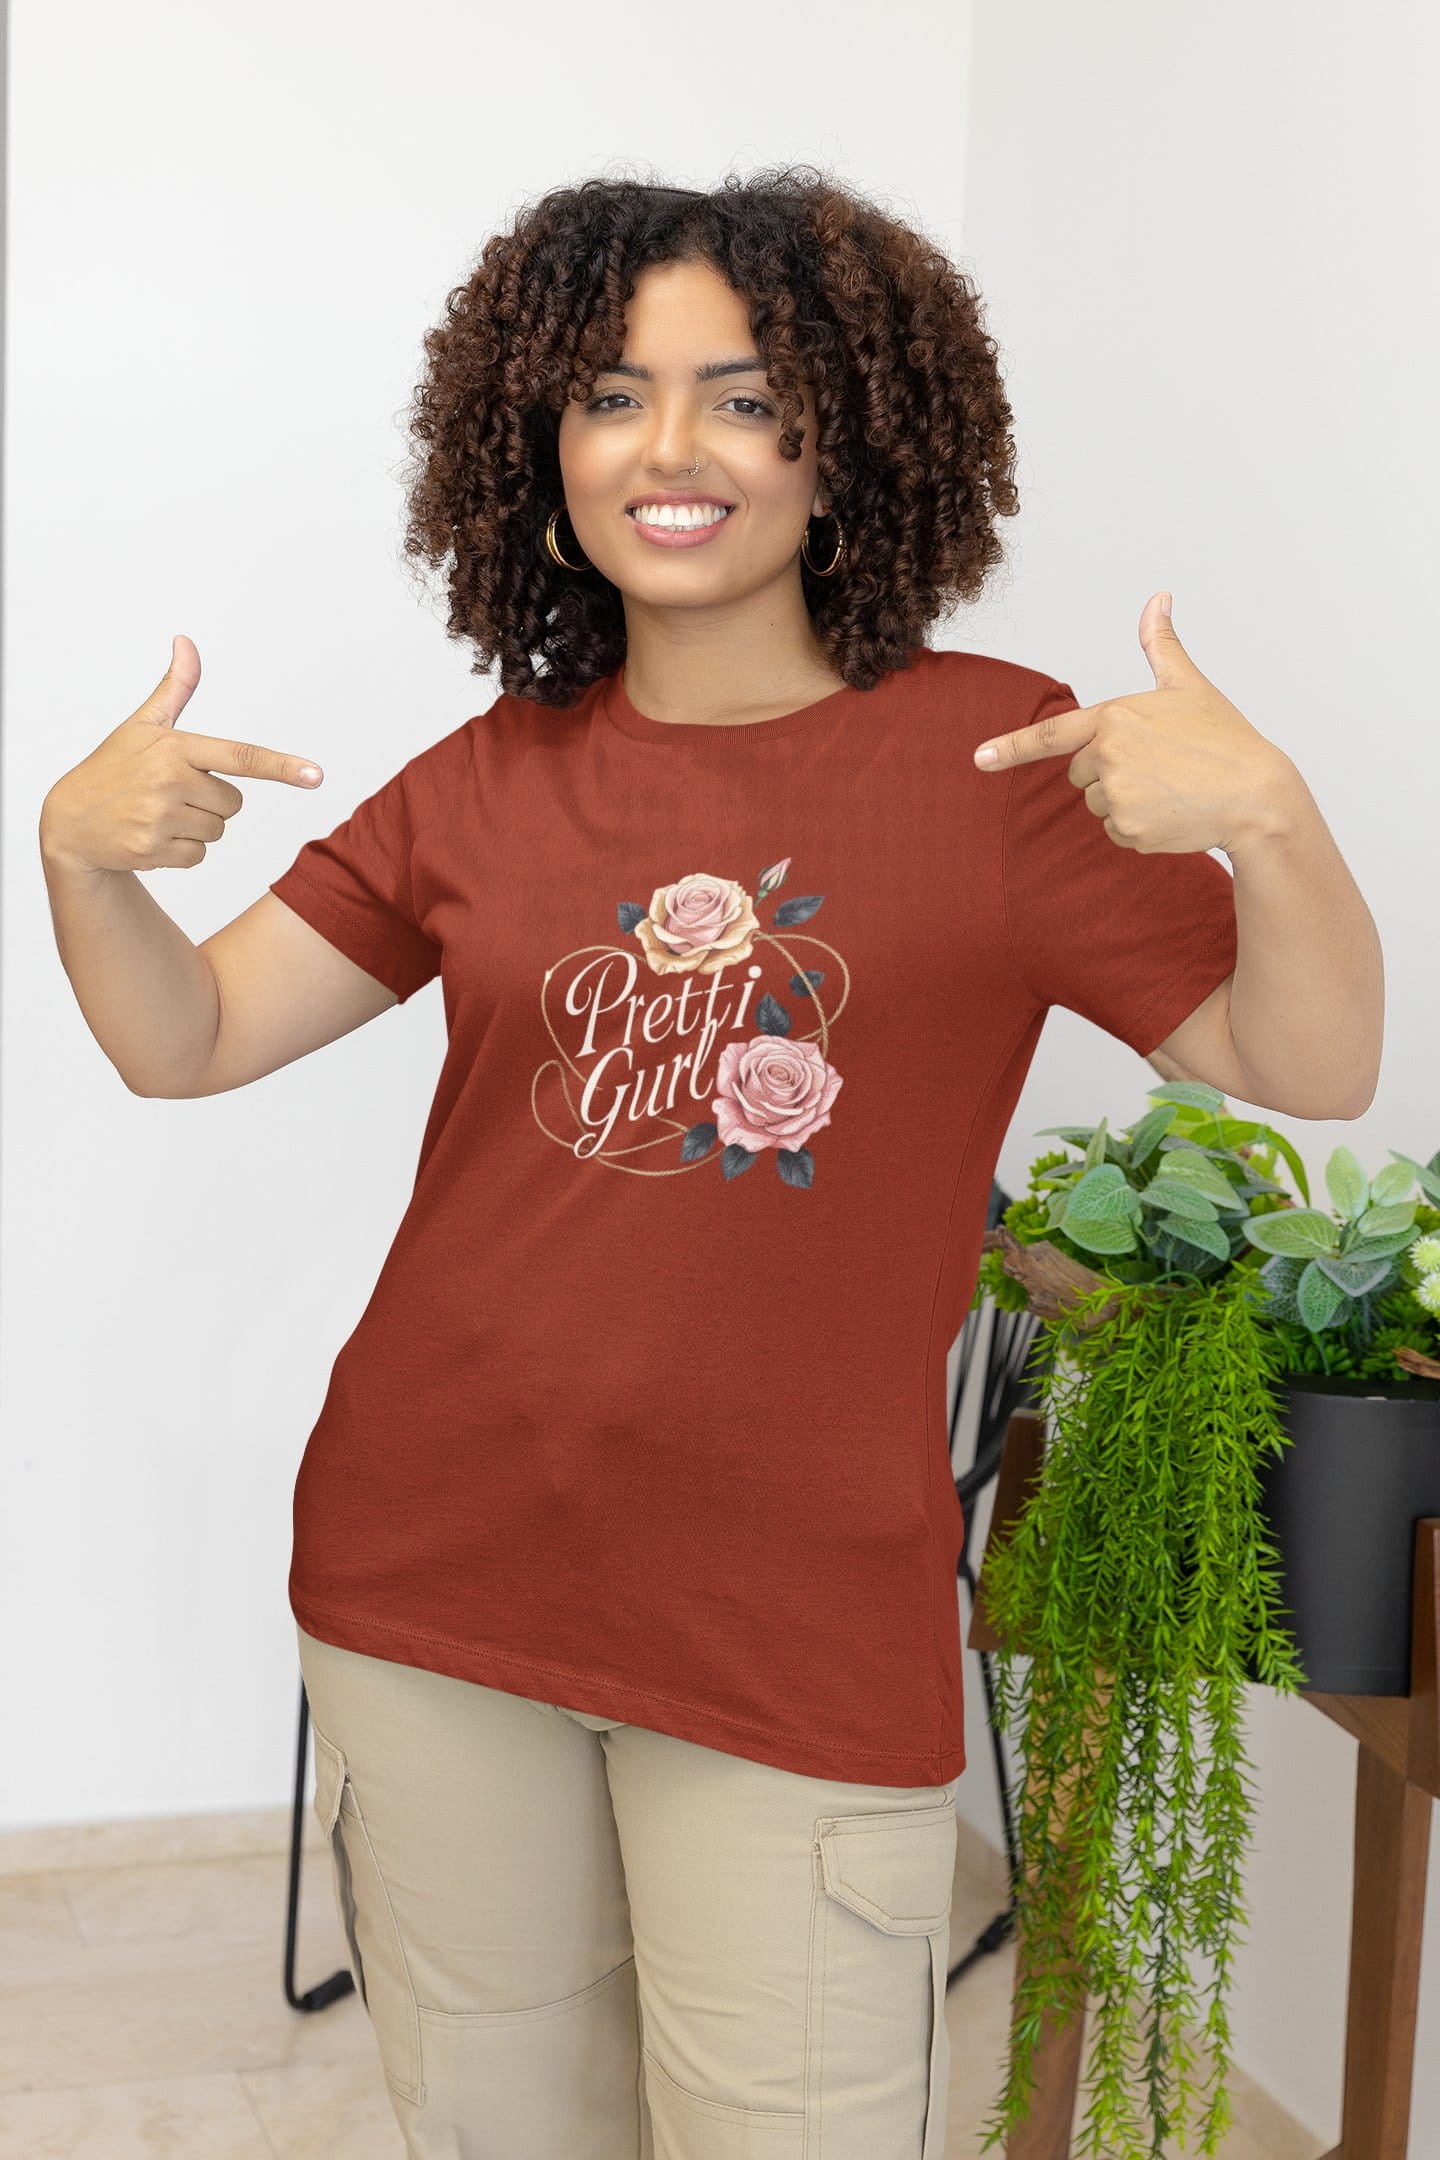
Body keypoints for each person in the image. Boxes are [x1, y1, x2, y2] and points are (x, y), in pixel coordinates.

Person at [37, 167, 1240, 2159]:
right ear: (538, 447)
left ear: (855, 439)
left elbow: (1308, 1054)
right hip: (433, 1588)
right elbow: (190, 1038)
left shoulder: (1005, 766)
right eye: (611, 393)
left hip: (793, 1623)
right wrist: (79, 860)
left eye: (747, 395)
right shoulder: (487, 780)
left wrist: (1272, 828)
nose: (670, 447)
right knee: (504, 2127)